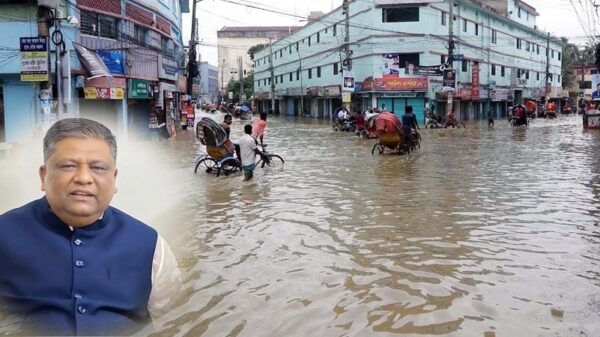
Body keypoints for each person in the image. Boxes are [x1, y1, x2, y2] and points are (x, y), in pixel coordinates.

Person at [0, 119, 182, 335]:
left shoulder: (152, 247)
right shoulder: (4, 234)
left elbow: (173, 323)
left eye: (97, 168)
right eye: (68, 166)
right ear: (43, 175)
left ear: (114, 179)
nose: (84, 178)